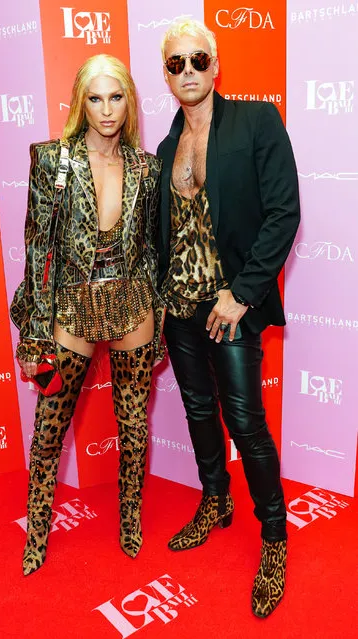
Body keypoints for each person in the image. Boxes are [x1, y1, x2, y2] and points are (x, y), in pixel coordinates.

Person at [157, 19, 300, 618]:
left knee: (246, 421)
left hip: (229, 304)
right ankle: (215, 499)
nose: (187, 72)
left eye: (197, 60)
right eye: (175, 64)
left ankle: (273, 537)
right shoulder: (165, 148)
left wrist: (241, 294)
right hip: (180, 307)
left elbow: (283, 213)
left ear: (216, 66)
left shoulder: (256, 121)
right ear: (167, 76)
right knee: (196, 408)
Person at [11, 54, 164, 576]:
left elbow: (148, 248)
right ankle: (36, 535)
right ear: (81, 100)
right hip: (71, 303)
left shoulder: (146, 166)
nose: (106, 110)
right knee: (50, 426)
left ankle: (129, 521)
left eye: (116, 97)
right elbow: (36, 249)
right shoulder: (53, 160)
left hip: (130, 301)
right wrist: (33, 336)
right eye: (95, 98)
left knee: (134, 424)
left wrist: (155, 307)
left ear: (130, 101)